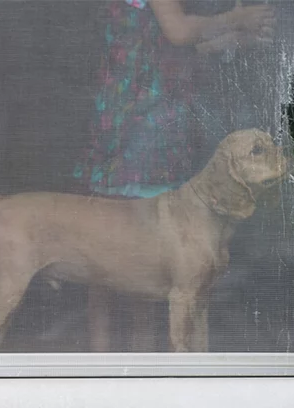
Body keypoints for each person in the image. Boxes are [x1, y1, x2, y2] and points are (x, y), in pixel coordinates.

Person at [73, 0, 277, 352]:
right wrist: (238, 17)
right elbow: (178, 31)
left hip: (129, 122)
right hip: (142, 129)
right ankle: (131, 363)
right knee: (137, 251)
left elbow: (174, 46)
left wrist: (236, 38)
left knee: (107, 254)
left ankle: (107, 360)